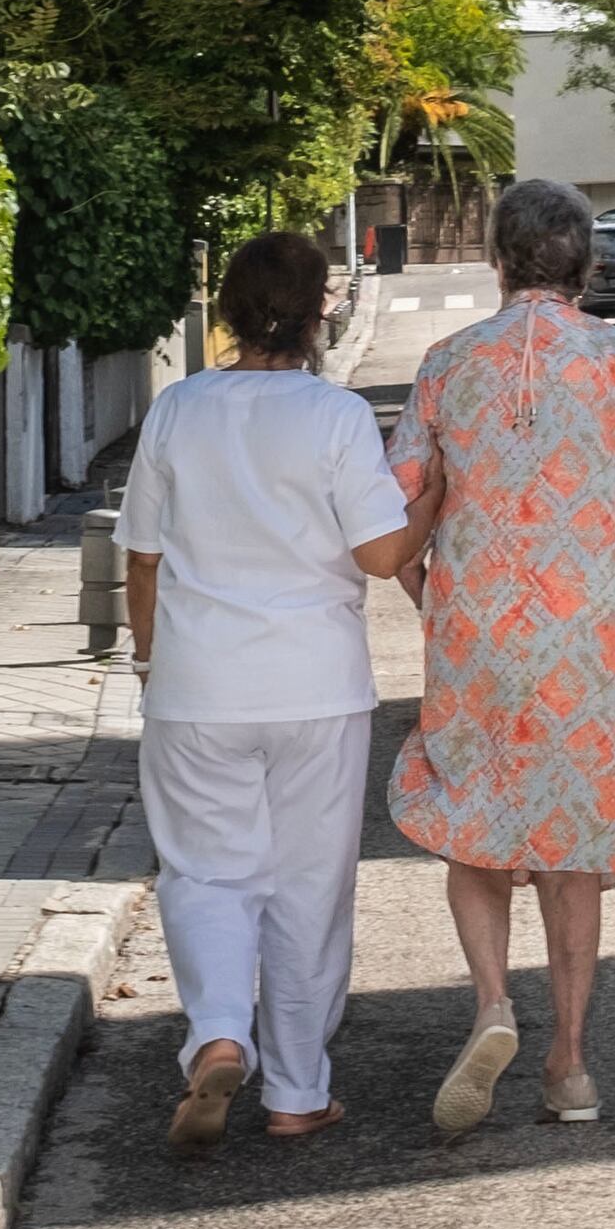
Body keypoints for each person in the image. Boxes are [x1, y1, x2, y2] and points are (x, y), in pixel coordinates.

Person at [386, 176, 615, 1131]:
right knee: (571, 843)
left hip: (480, 628)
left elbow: (400, 496)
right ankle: (568, 1066)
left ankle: (492, 1004)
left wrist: (425, 587)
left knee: (474, 818)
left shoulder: (450, 362)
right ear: (587, 265)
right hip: (593, 637)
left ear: (498, 259)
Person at [119, 228, 420, 1150]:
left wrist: (147, 658)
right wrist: (433, 499)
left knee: (206, 872)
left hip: (198, 683)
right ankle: (296, 1088)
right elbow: (379, 556)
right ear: (322, 311)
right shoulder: (332, 417)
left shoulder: (179, 410)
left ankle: (217, 1030)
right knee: (308, 887)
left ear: (228, 314)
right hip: (316, 686)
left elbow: (141, 555)